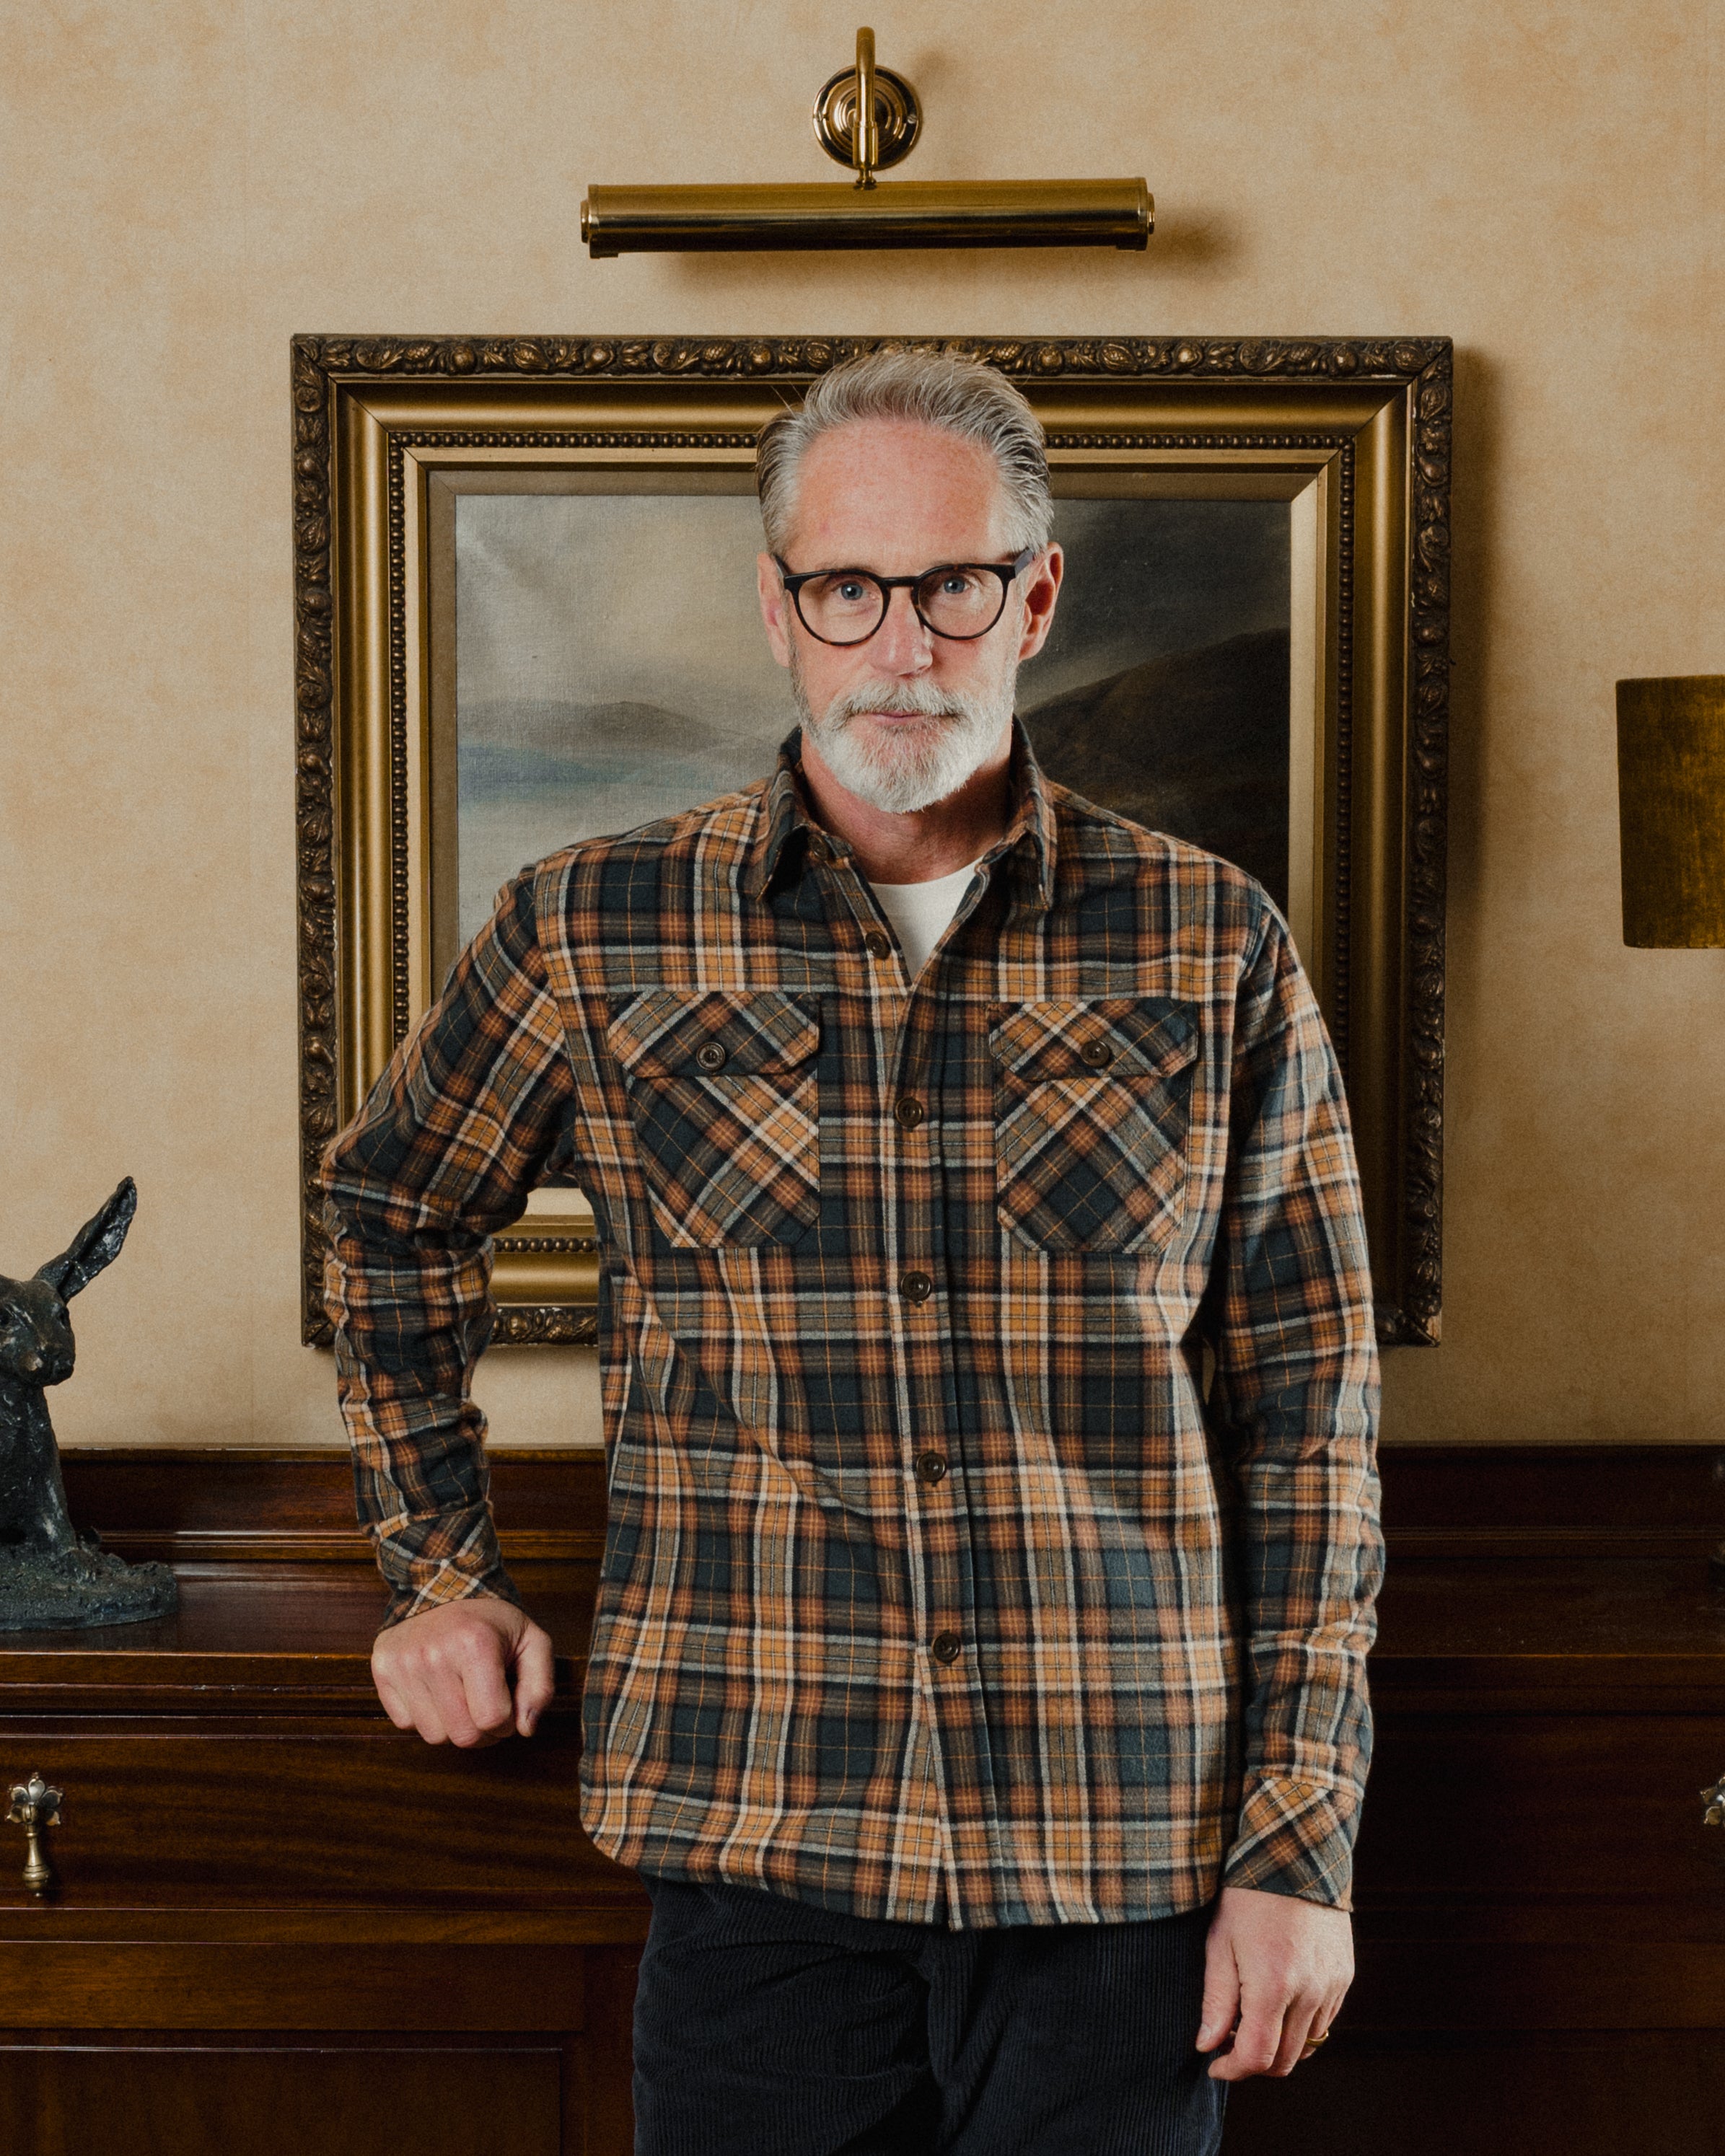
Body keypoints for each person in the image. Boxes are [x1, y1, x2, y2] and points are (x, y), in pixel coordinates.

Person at [322, 345, 1382, 2155]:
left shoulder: (1210, 942)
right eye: (846, 589)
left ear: (1031, 598)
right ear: (778, 607)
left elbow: (1311, 1411)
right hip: (754, 1852)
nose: (900, 642)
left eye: (951, 584)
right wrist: (436, 1569)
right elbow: (387, 1214)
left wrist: (1300, 1847)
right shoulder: (589, 926)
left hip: (1120, 1861)